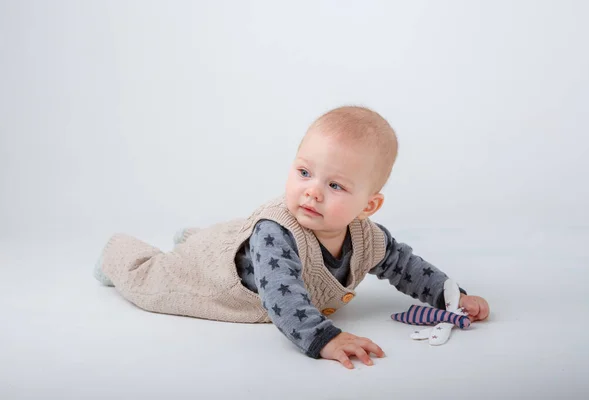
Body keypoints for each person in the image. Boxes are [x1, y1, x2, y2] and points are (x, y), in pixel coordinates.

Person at [94, 106, 490, 369]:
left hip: (245, 247)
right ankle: (120, 254)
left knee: (218, 239)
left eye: (335, 184)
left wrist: (451, 297)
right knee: (156, 281)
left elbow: (407, 267)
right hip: (220, 278)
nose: (312, 191)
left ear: (369, 206)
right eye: (304, 173)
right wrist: (324, 339)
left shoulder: (367, 239)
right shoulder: (277, 233)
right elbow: (283, 296)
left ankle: (194, 239)